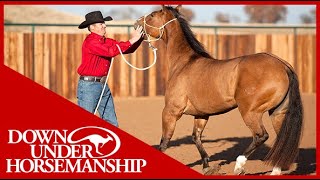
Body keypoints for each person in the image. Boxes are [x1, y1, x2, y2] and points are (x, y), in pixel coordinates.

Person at [77, 11, 144, 127]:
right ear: (92, 27)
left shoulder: (106, 41)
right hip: (89, 87)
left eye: (104, 23)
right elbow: (111, 51)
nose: (104, 25)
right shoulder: (90, 42)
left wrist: (140, 38)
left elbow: (126, 49)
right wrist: (133, 39)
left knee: (111, 122)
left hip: (102, 85)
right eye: (101, 24)